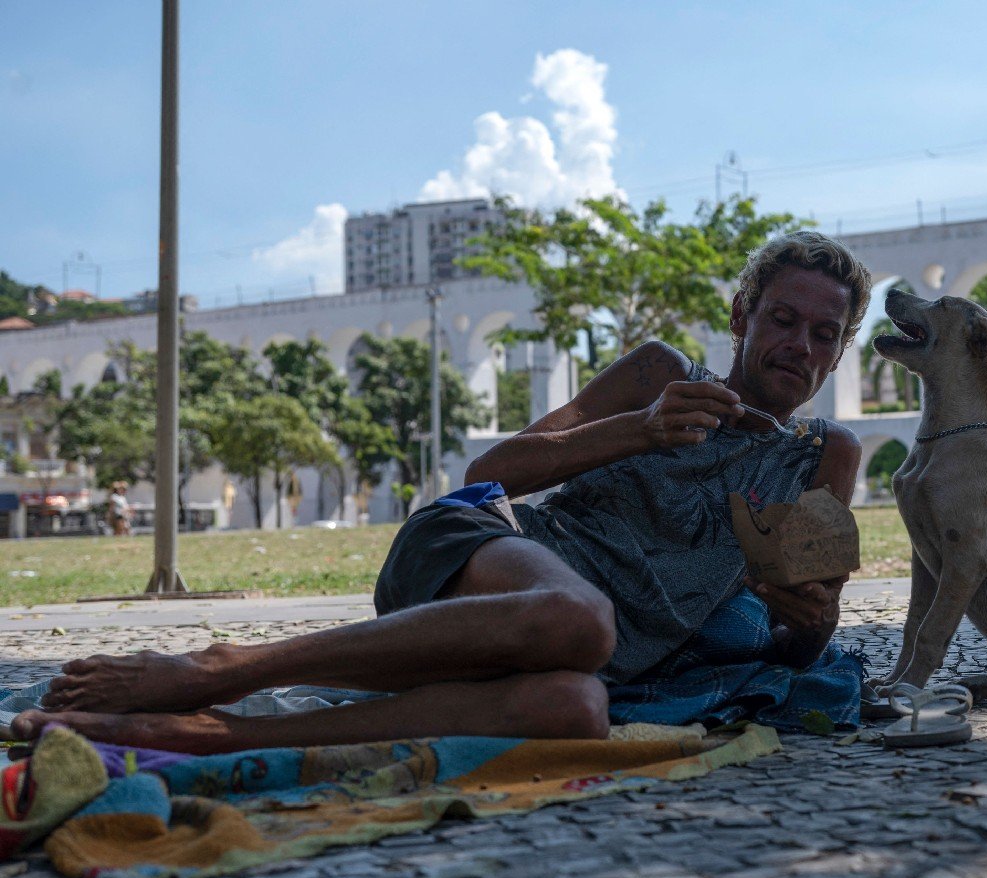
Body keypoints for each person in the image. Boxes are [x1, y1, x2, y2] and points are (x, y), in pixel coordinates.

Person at [11, 232, 871, 753]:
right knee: (580, 618)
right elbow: (491, 472)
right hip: (484, 554)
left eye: (823, 334)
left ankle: (202, 733)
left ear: (841, 354)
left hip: (585, 658)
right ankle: (212, 671)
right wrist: (640, 427)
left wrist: (816, 623)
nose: (799, 344)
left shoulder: (825, 457)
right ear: (742, 316)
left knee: (576, 708)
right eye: (782, 319)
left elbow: (797, 642)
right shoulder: (659, 372)